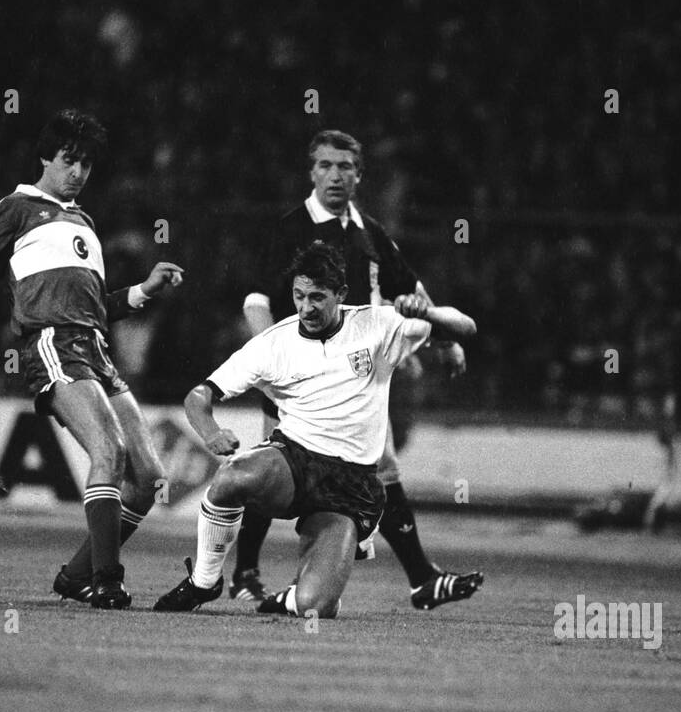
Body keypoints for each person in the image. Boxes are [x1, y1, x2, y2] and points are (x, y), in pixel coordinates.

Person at [0, 109, 182, 609]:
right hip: (52, 345)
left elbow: (96, 309)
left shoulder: (83, 219)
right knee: (109, 452)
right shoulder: (16, 208)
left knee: (148, 478)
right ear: (46, 157)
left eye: (87, 164)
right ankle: (106, 579)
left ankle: (77, 574)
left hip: (95, 350)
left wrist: (142, 292)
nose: (79, 173)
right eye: (70, 160)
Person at [154, 242, 477, 616]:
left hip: (352, 486)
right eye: (299, 296)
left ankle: (291, 596)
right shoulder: (274, 343)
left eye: (318, 297)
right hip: (294, 462)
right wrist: (210, 432)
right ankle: (204, 582)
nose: (306, 307)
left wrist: (430, 314)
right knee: (231, 478)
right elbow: (198, 397)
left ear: (340, 294)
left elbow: (466, 326)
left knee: (315, 606)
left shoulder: (378, 325)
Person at [233, 129, 481, 610]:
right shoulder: (290, 229)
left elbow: (411, 289)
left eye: (345, 167)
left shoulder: (369, 232)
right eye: (325, 165)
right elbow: (256, 301)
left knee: (382, 467)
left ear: (359, 175)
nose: (335, 175)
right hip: (298, 378)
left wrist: (445, 339)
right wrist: (272, 361)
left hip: (359, 378)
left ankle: (420, 578)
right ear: (311, 172)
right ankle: (245, 572)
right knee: (269, 472)